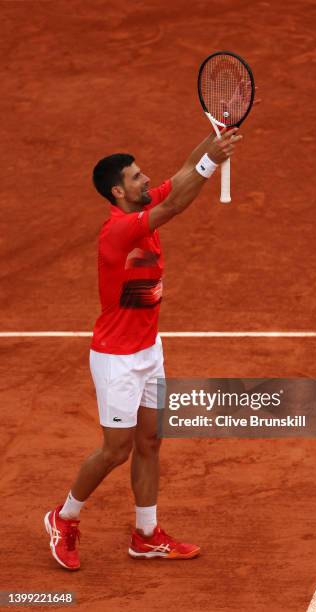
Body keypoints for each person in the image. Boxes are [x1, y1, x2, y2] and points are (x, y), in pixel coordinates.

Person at [44, 127, 243, 570]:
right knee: (116, 450)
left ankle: (146, 534)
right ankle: (65, 516)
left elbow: (186, 170)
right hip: (117, 358)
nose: (145, 180)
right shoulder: (119, 230)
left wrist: (214, 141)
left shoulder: (143, 204)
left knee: (150, 441)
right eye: (136, 178)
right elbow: (175, 202)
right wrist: (213, 162)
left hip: (149, 350)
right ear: (118, 191)